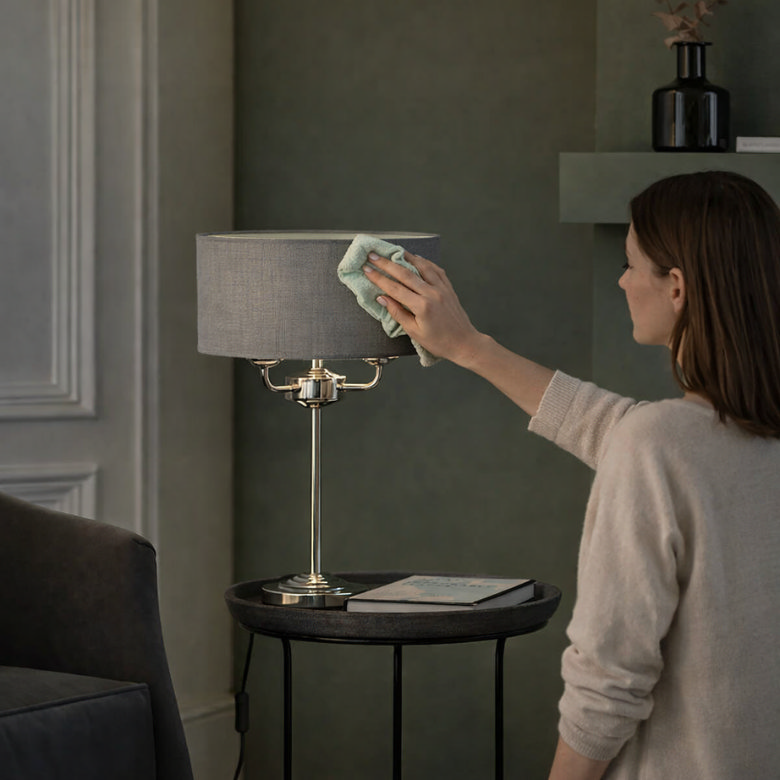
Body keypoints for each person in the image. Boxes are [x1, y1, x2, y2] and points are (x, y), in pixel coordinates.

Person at [362, 170, 780, 779]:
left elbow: (608, 682)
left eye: (632, 264)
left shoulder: (659, 447)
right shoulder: (734, 440)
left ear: (678, 288)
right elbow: (610, 426)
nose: (622, 280)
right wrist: (469, 345)